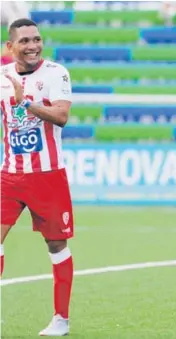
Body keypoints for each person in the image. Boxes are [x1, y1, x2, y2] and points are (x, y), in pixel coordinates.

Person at [1, 18, 74, 336]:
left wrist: (25, 101)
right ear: (10, 46)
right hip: (9, 174)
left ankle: (61, 319)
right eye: (25, 40)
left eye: (37, 39)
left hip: (47, 175)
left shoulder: (56, 73)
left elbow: (61, 116)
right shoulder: (2, 78)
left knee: (56, 244)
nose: (33, 45)